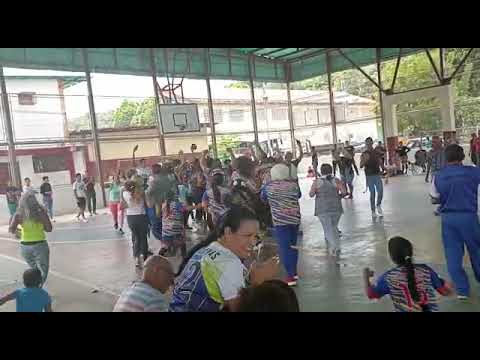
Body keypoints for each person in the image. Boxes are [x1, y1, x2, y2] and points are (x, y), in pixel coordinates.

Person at [169, 206, 280, 312]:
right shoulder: (230, 263)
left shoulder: (208, 249)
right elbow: (241, 309)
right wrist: (257, 283)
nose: (253, 243)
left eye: (255, 236)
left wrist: (249, 278)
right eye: (247, 235)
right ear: (228, 232)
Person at [430, 144, 480, 300]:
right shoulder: (474, 172)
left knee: (452, 256)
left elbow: (434, 198)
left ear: (446, 158)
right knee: (477, 251)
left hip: (449, 220)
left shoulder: (438, 176)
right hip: (469, 217)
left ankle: (462, 290)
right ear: (463, 157)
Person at [363, 237, 452, 312]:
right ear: (410, 253)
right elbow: (445, 291)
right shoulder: (426, 270)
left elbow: (371, 294)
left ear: (392, 258)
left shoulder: (388, 278)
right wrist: (445, 283)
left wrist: (366, 277)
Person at [260, 163, 301, 286]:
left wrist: (266, 183)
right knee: (293, 246)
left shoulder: (268, 187)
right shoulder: (293, 185)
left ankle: (290, 276)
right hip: (295, 219)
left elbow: (263, 199)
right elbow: (299, 195)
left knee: (284, 248)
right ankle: (293, 272)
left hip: (280, 221)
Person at [9, 192, 52, 285]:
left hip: (25, 246)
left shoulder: (18, 214)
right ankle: (37, 288)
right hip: (40, 245)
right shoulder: (40, 213)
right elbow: (49, 229)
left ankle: (33, 288)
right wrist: (41, 225)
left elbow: (11, 229)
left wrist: (20, 234)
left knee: (34, 270)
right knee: (43, 270)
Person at [309, 163, 347, 258]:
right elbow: (344, 192)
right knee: (334, 227)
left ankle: (333, 246)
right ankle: (336, 246)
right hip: (336, 208)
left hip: (322, 208)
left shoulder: (317, 182)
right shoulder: (336, 180)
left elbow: (311, 194)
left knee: (327, 228)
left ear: (321, 171)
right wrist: (338, 196)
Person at [159, 191, 196, 258]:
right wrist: (197, 206)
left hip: (166, 232)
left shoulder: (163, 205)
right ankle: (184, 257)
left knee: (165, 246)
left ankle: (158, 257)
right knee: (182, 244)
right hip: (177, 231)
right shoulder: (177, 204)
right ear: (174, 197)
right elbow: (187, 209)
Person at [123, 179, 149, 268]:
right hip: (141, 216)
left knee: (136, 238)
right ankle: (145, 259)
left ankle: (137, 259)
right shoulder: (141, 193)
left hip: (131, 218)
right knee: (143, 237)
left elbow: (122, 204)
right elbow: (147, 204)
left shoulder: (124, 194)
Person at [360, 137, 384, 218]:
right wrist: (365, 160)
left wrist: (384, 169)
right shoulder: (364, 154)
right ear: (366, 144)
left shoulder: (376, 152)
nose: (369, 144)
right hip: (369, 175)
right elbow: (360, 165)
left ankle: (378, 205)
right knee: (372, 193)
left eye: (370, 143)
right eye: (367, 143)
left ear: (372, 143)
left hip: (377, 174)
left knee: (380, 190)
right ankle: (373, 210)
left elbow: (380, 161)